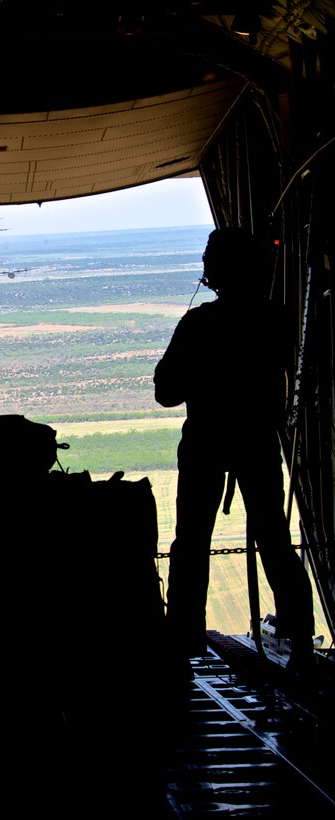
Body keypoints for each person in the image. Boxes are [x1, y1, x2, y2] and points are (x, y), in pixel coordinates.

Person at [153, 227, 315, 678]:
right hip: (258, 443)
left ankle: (184, 641)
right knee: (276, 545)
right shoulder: (279, 321)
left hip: (206, 441)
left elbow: (166, 392)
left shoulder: (200, 324)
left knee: (191, 544)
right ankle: (301, 643)